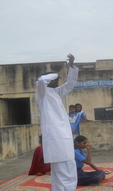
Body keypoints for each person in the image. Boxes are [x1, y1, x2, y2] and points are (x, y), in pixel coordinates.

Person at [35, 54, 78, 191]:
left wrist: (71, 68)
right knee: (63, 170)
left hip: (64, 135)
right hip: (54, 137)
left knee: (67, 167)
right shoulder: (42, 93)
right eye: (56, 78)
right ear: (51, 80)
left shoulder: (56, 92)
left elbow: (70, 84)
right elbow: (41, 81)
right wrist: (54, 74)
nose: (59, 80)